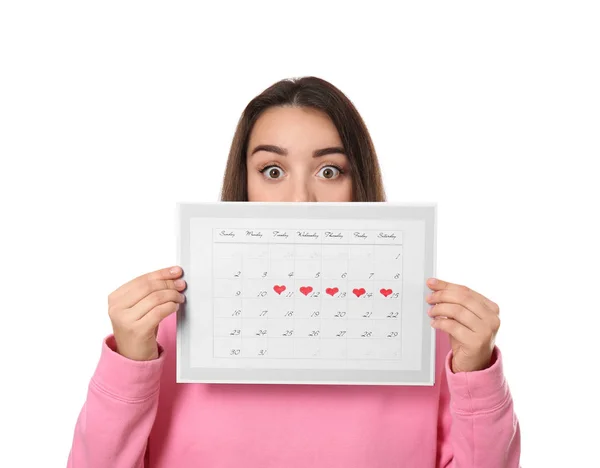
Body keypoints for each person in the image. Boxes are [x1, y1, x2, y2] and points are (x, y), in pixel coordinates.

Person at [67, 76, 521, 467]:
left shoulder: (430, 334)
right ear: (242, 183)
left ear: (358, 180)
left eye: (328, 170)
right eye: (272, 170)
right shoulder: (166, 329)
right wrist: (129, 361)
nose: (301, 199)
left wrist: (476, 370)